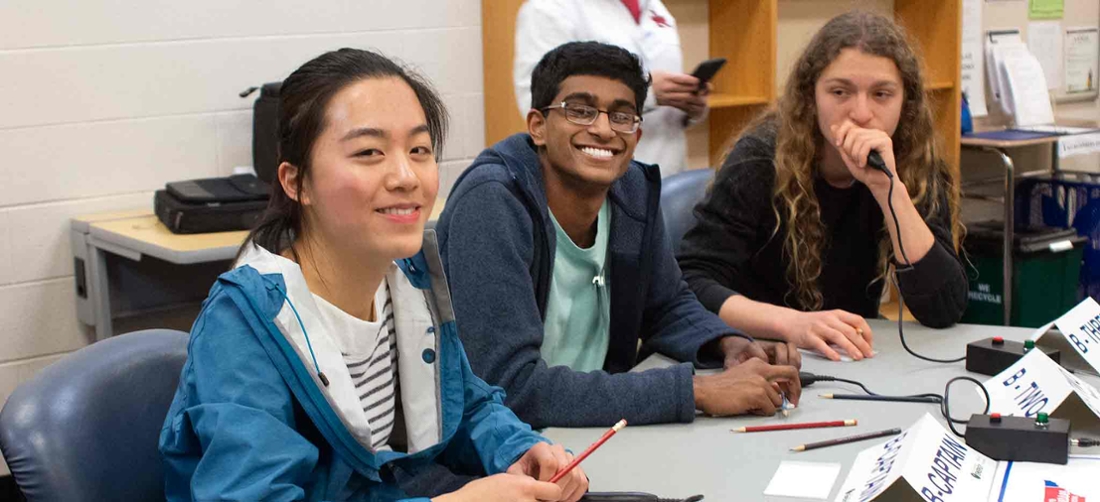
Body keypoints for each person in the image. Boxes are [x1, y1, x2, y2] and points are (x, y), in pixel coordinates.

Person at [158, 48, 587, 502]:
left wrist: (519, 448)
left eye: (419, 150)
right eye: (369, 152)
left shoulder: (409, 274)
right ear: (295, 182)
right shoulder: (245, 322)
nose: (406, 176)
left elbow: (462, 404)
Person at [435, 41, 801, 430]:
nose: (604, 129)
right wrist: (696, 391)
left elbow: (667, 305)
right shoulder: (493, 203)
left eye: (622, 115)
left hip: (595, 429)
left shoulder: (631, 194)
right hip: (498, 449)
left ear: (637, 136)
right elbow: (510, 386)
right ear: (537, 127)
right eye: (580, 110)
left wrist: (728, 343)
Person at [677, 11, 968, 362]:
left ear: (905, 101)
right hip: (755, 354)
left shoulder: (911, 161)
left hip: (849, 357)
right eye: (840, 91)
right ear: (811, 95)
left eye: (881, 94)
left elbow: (943, 308)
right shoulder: (760, 159)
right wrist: (794, 324)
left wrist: (889, 192)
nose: (861, 113)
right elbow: (691, 283)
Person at [513, 0, 709, 177]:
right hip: (596, 180)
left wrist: (690, 107)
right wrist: (645, 92)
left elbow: (665, 106)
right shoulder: (548, 8)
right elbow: (538, 100)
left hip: (668, 172)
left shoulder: (655, 7)